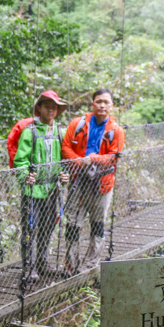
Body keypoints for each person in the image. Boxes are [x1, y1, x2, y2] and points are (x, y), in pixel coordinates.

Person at [61, 88, 126, 271]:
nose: (102, 105)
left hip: (102, 183)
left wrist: (93, 159)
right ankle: (71, 264)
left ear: (112, 106)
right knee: (73, 222)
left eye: (106, 102)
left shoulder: (117, 131)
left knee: (97, 223)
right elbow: (66, 147)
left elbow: (114, 156)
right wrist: (79, 161)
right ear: (92, 104)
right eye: (99, 101)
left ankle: (90, 265)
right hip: (78, 179)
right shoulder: (77, 124)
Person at [13, 90, 70, 283]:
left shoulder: (60, 132)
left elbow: (65, 159)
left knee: (47, 227)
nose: (51, 110)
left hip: (52, 190)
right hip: (32, 190)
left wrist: (65, 174)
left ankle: (43, 262)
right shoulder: (30, 132)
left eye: (54, 107)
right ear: (40, 108)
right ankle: (28, 266)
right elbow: (20, 160)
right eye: (47, 107)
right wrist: (24, 176)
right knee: (30, 228)